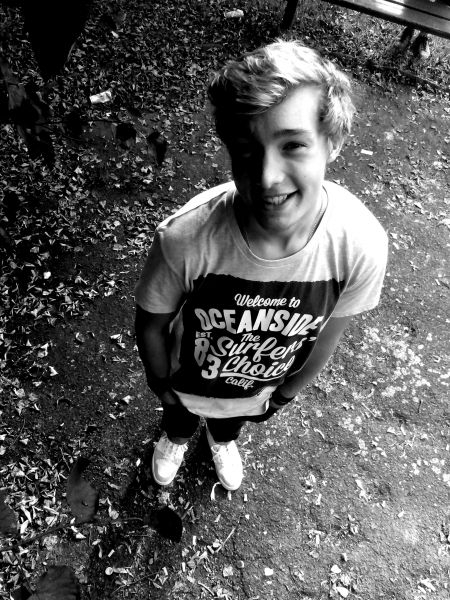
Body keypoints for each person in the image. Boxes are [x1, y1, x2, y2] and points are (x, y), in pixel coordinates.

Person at [135, 40, 388, 492]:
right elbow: (151, 323)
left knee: (230, 423)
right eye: (247, 150)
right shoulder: (185, 239)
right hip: (184, 382)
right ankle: (176, 436)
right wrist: (161, 385)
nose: (267, 177)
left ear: (333, 142)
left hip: (255, 393)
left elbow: (328, 332)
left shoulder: (360, 246)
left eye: (293, 145)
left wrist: (286, 393)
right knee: (180, 416)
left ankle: (221, 439)